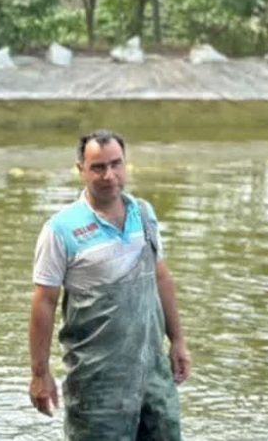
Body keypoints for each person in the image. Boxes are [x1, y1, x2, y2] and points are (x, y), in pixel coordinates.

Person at [29, 129, 190, 440]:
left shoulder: (144, 215)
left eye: (116, 164)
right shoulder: (61, 229)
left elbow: (161, 279)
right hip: (96, 381)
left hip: (152, 373)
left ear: (126, 164)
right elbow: (44, 302)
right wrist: (40, 373)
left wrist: (178, 341)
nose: (109, 175)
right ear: (81, 170)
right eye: (98, 167)